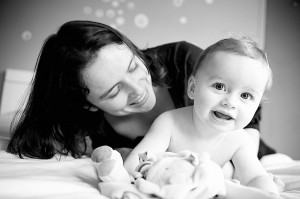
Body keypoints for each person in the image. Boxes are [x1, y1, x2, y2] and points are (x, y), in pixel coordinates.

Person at [6, 20, 274, 161]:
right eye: (113, 92)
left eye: (134, 66)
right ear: (88, 103)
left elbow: (249, 102)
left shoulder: (185, 61)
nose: (139, 90)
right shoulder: (88, 129)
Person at [124, 37, 279, 194]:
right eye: (219, 86)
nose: (231, 102)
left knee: (228, 175)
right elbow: (137, 159)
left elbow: (254, 176)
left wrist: (267, 190)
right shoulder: (169, 123)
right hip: (172, 182)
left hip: (208, 182)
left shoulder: (240, 140)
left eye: (245, 95)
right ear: (192, 87)